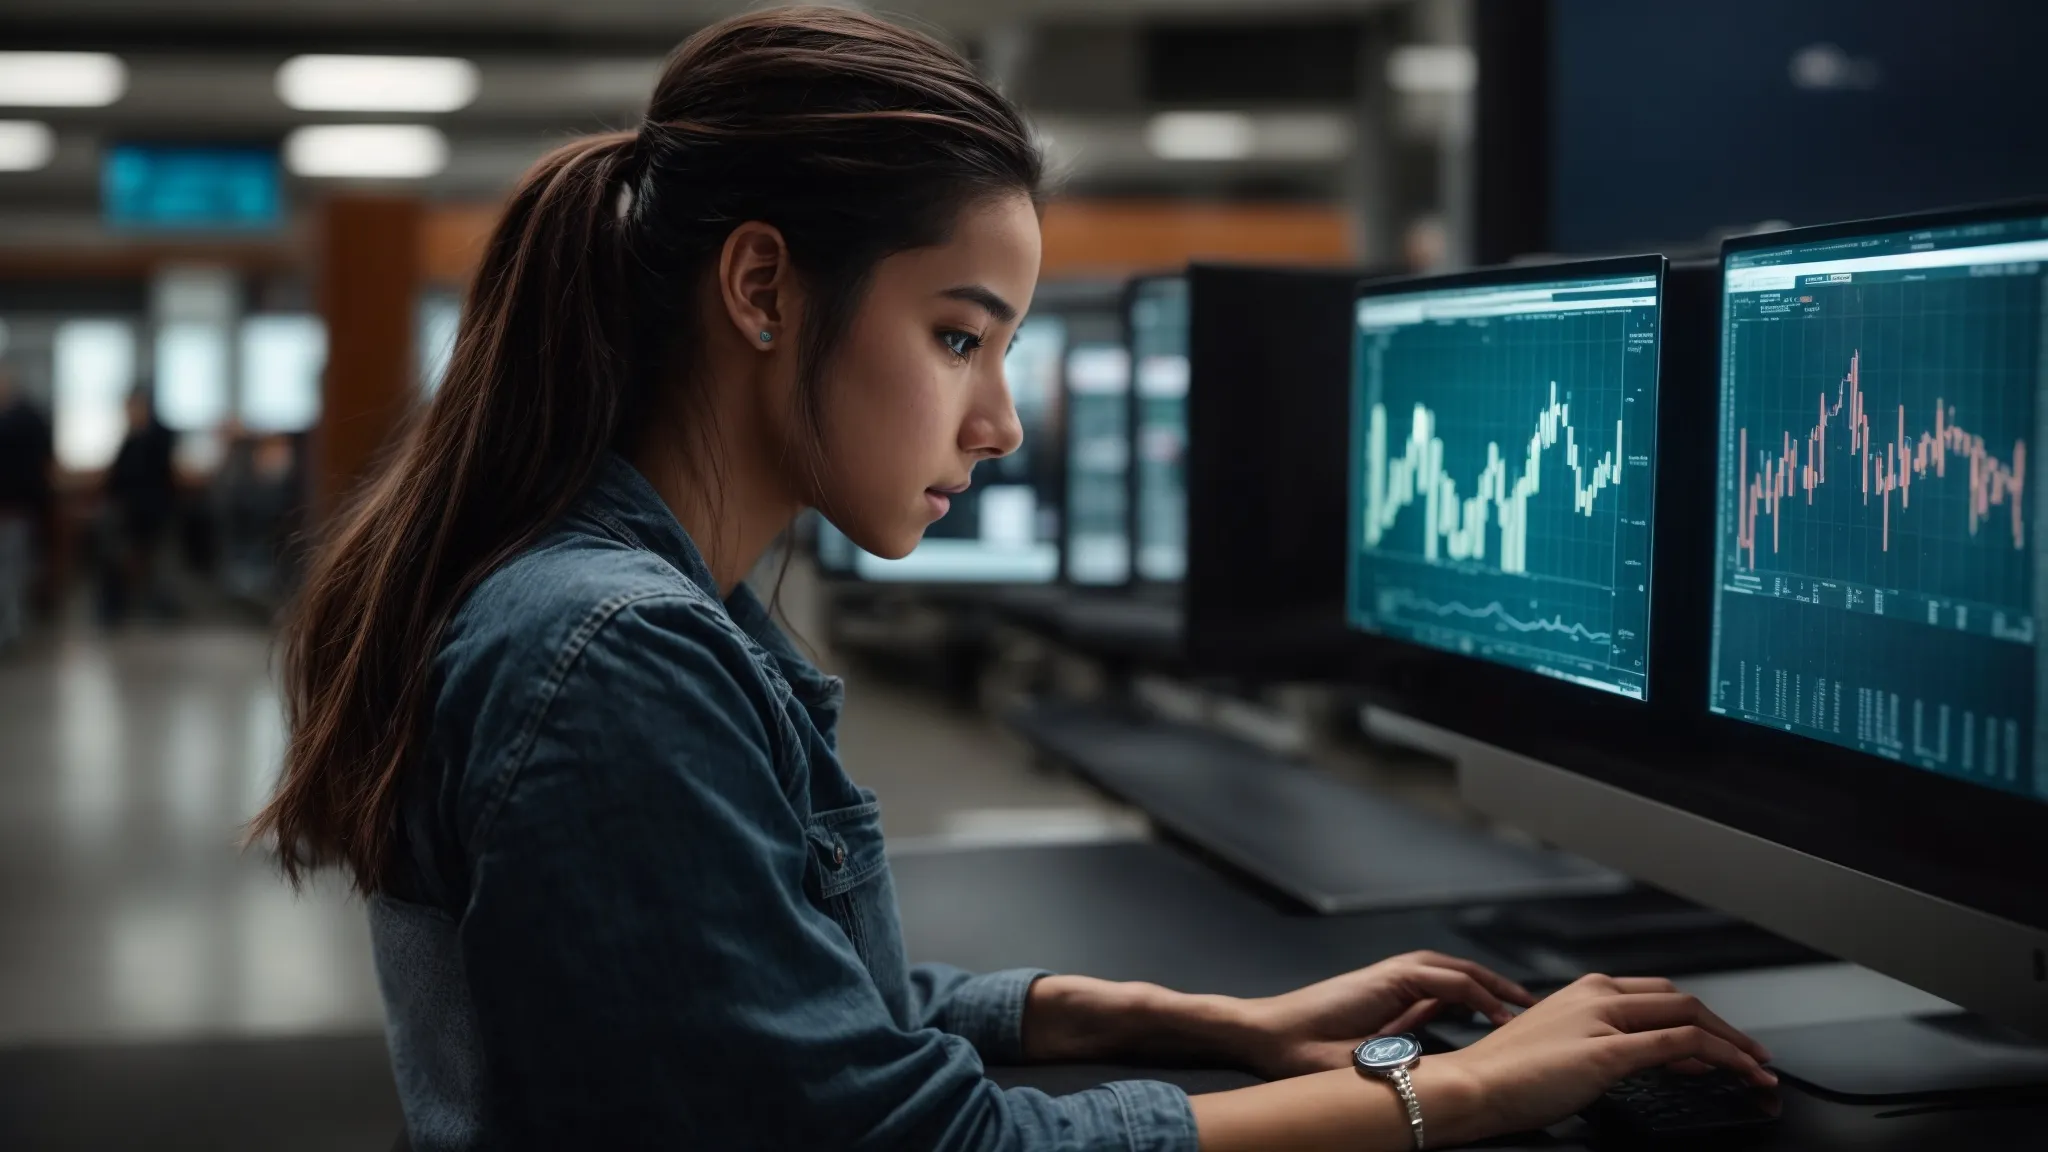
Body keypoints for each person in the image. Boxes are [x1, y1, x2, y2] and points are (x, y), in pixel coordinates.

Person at [252, 9, 1774, 1151]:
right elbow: (920, 1142)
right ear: (764, 289)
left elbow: (778, 1012)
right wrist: (1457, 1093)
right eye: (960, 336)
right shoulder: (613, 655)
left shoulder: (631, 611)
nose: (1000, 420)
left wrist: (1192, 1019)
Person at [100, 385, 178, 624]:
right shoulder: (130, 439)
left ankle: (159, 609)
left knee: (157, 565)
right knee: (116, 558)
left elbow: (156, 474)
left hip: (153, 512)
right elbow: (117, 478)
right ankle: (115, 608)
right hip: (128, 514)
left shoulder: (160, 435)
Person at [0, 365, 53, 650]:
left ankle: (11, 629)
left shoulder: (16, 421)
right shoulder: (26, 418)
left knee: (11, 570)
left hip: (15, 508)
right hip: (22, 506)